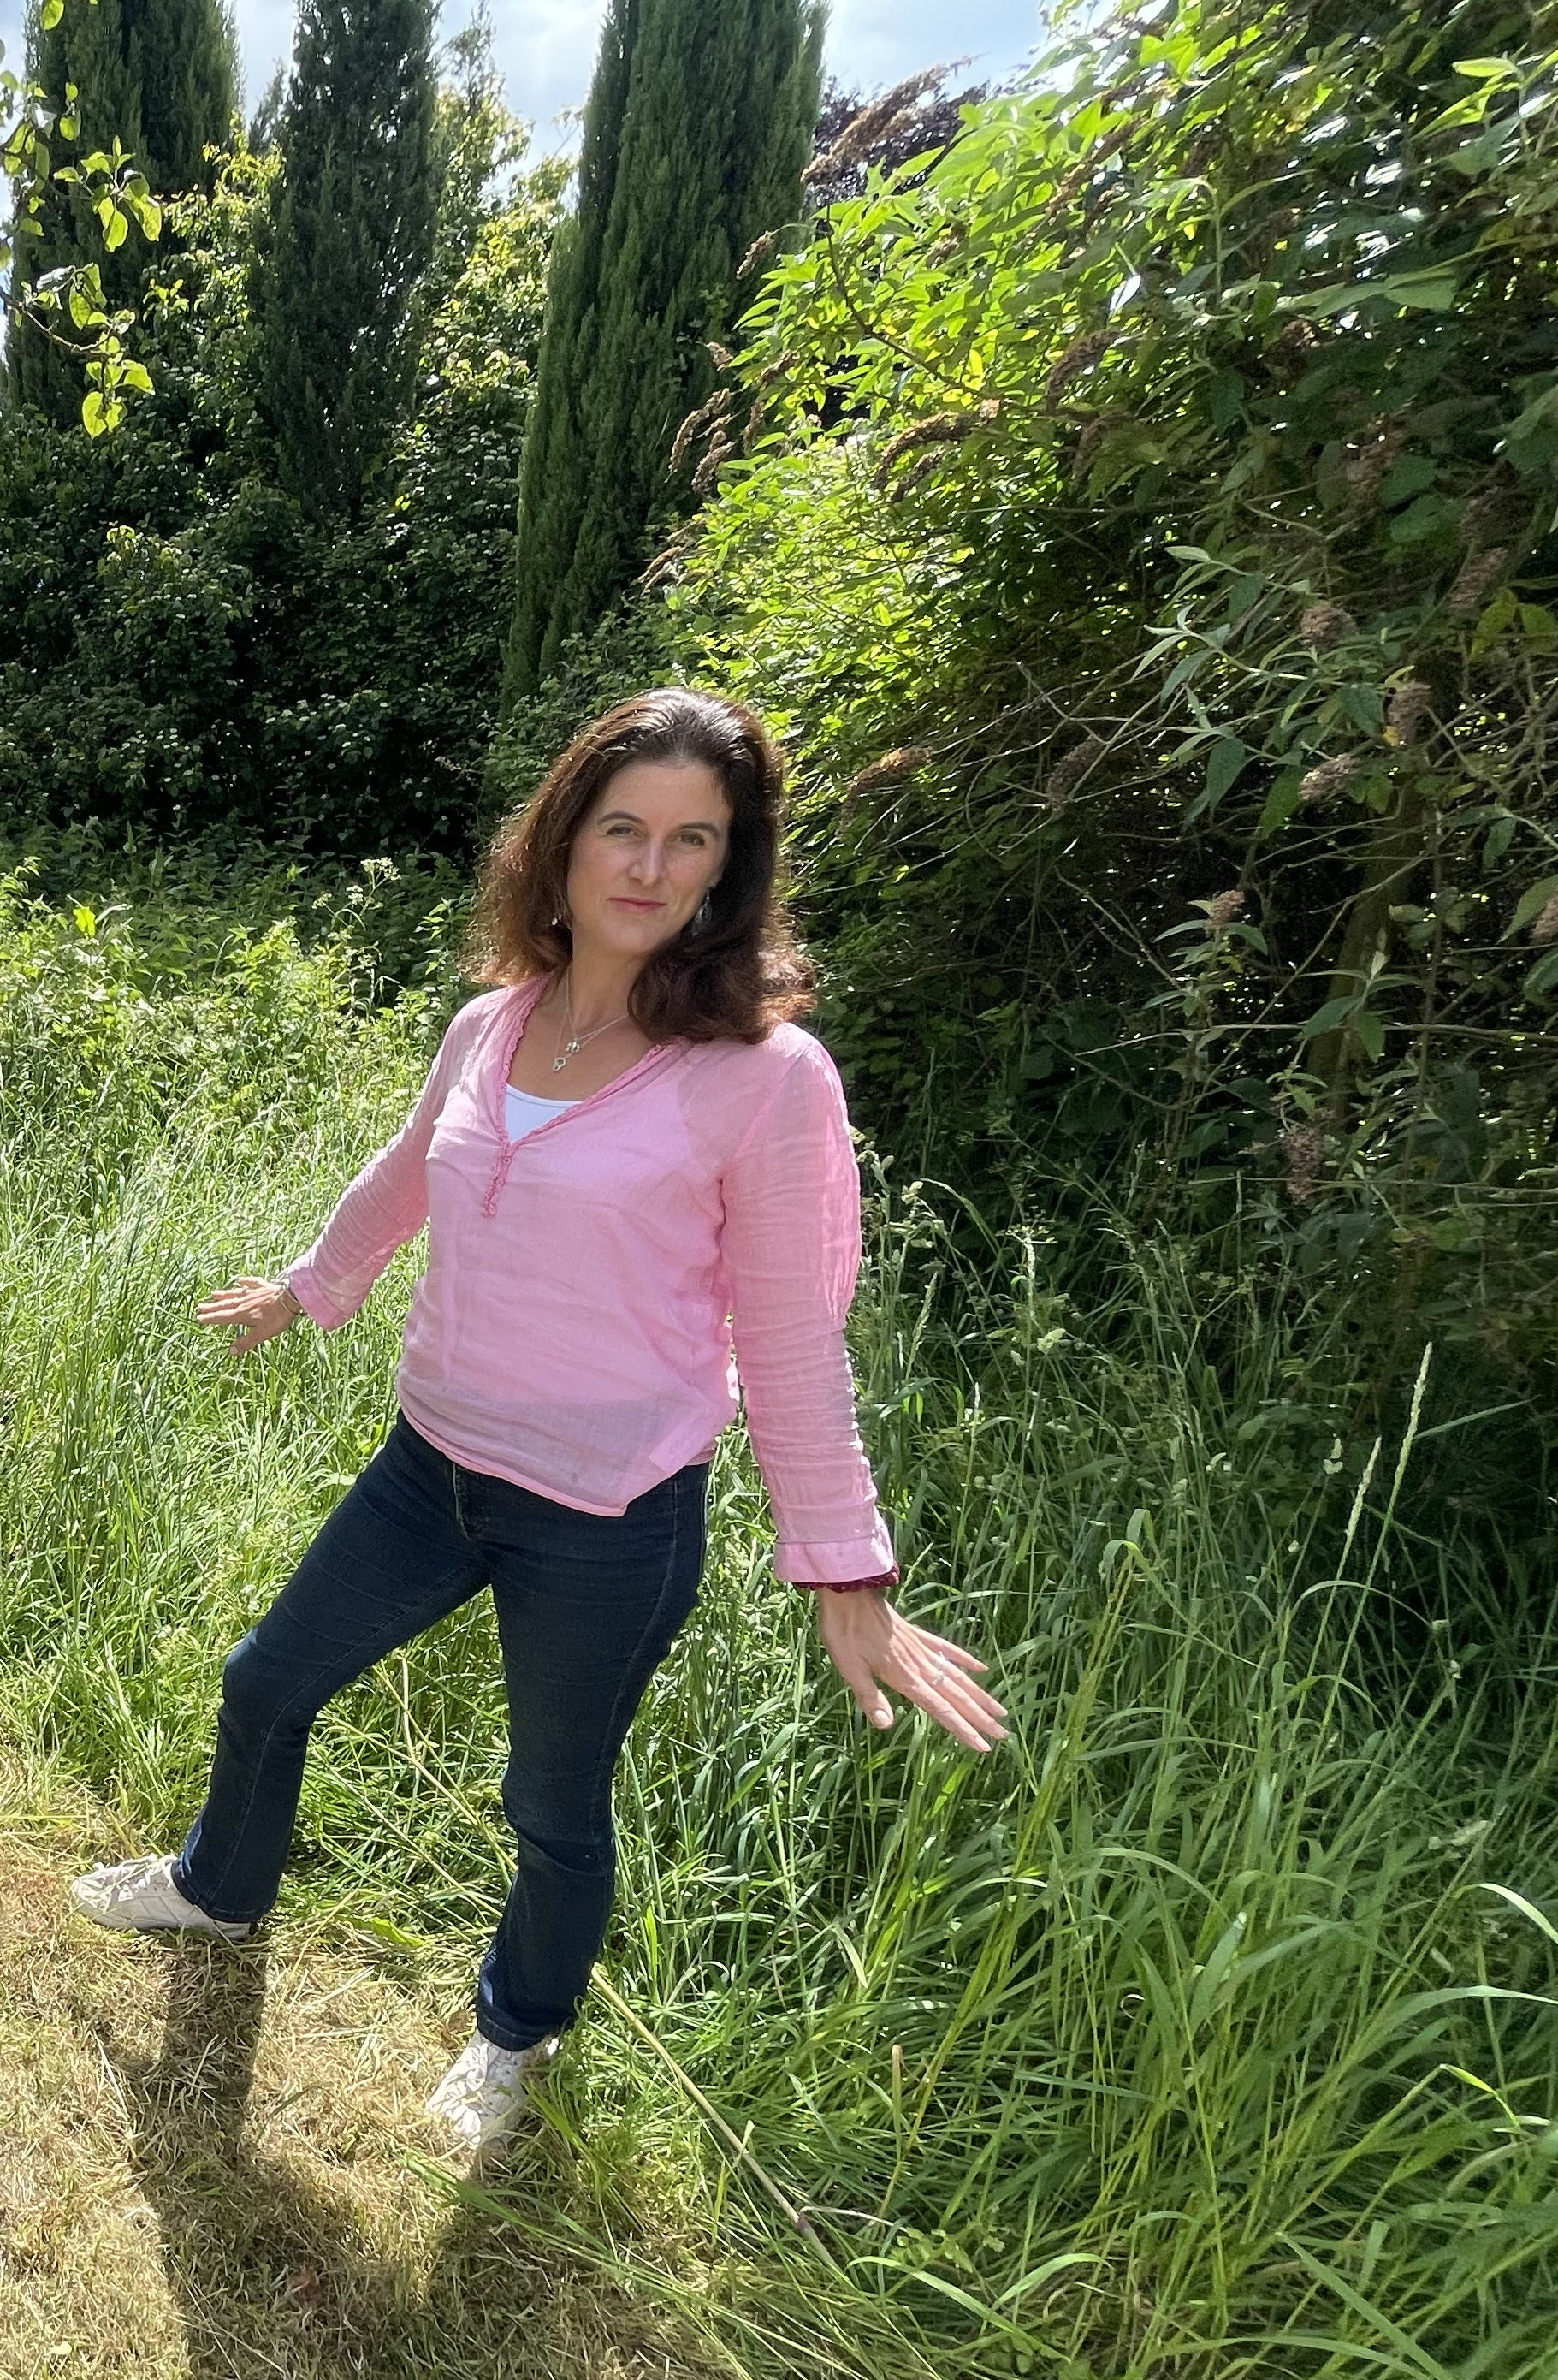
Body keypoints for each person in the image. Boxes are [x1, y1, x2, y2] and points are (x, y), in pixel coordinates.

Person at [69, 689, 1008, 2168]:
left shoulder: (763, 1080)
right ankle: (217, 1884)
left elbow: (786, 1333)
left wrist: (844, 1562)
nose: (647, 865)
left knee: (551, 1803)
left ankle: (515, 2034)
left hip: (607, 1516)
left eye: (690, 838)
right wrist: (308, 1287)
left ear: (727, 867)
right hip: (429, 1469)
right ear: (561, 840)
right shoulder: (489, 1021)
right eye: (621, 827)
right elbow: (407, 1174)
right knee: (266, 1679)